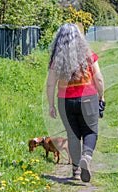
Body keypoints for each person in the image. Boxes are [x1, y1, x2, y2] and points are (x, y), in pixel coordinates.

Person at [46, 23, 104, 182]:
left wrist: (51, 105)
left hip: (65, 102)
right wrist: (101, 95)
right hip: (88, 98)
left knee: (72, 135)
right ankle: (87, 156)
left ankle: (76, 171)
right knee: (90, 131)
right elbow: (98, 78)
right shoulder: (88, 54)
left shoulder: (57, 59)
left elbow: (50, 83)